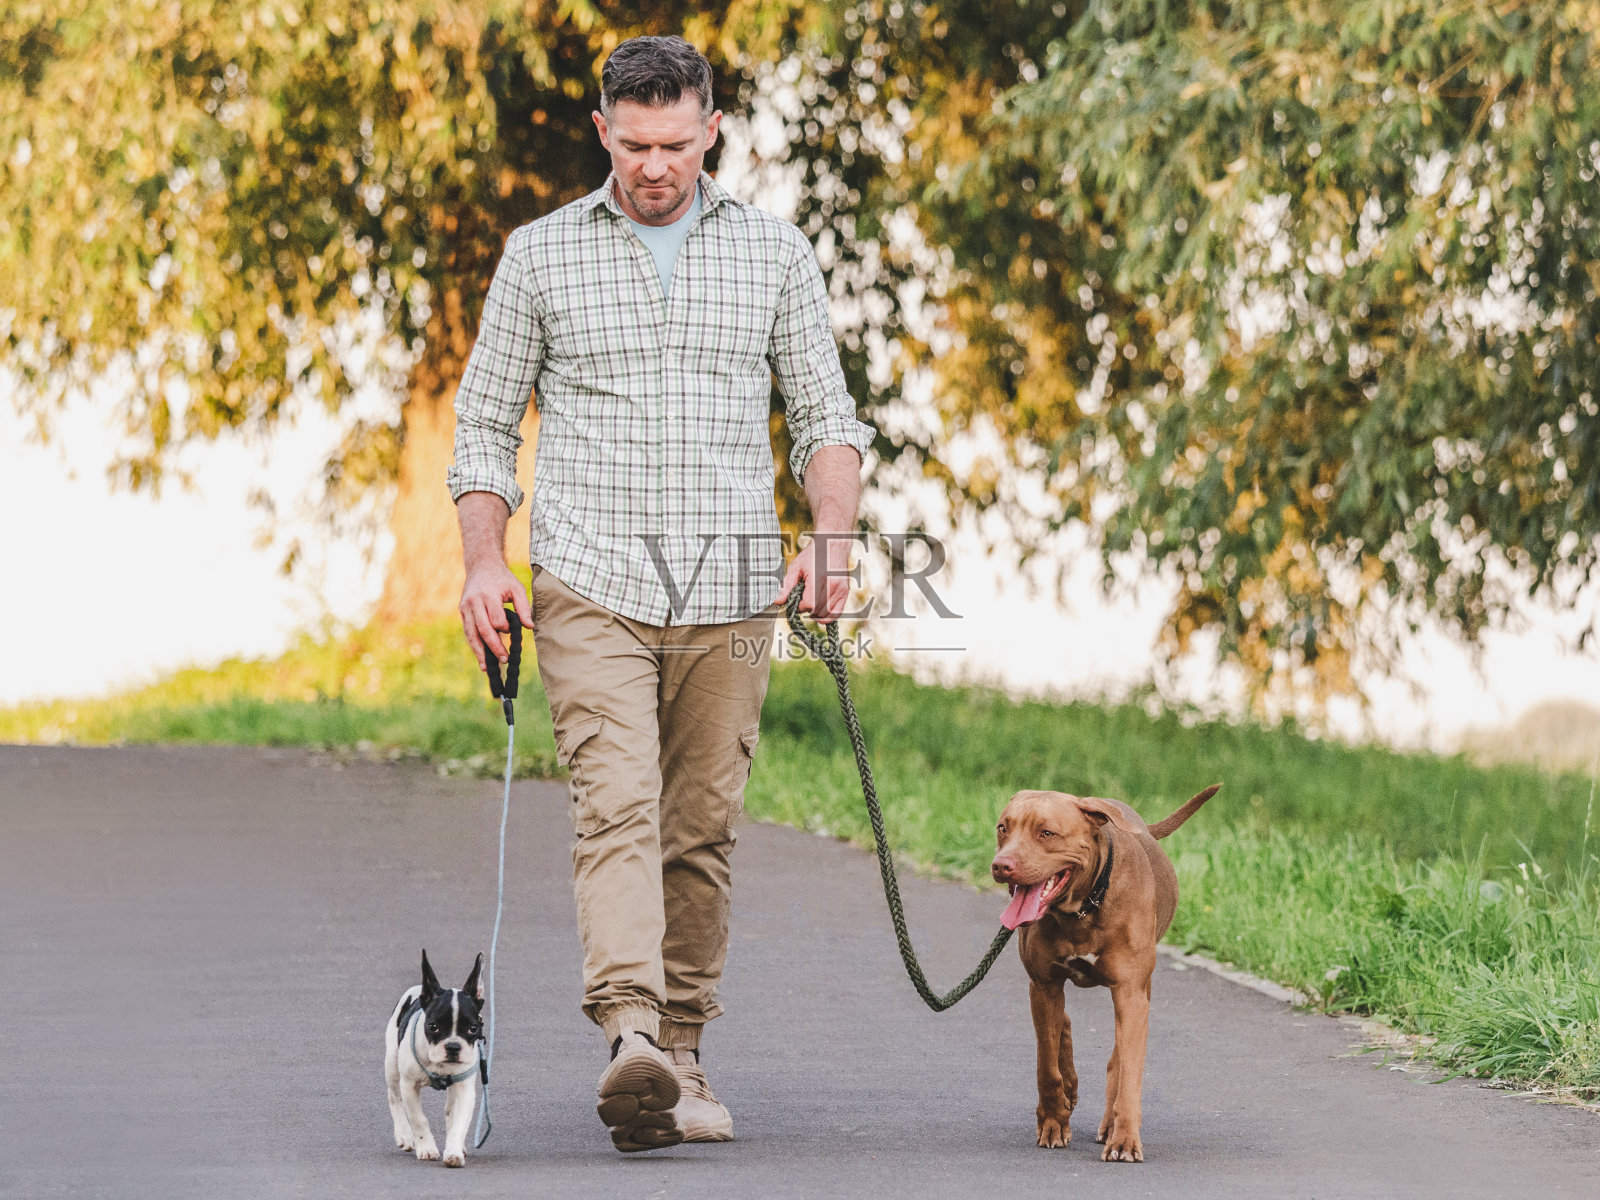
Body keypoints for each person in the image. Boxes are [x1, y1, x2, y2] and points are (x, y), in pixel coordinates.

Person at [446, 34, 874, 1153]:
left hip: (731, 588)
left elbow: (825, 418)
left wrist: (832, 537)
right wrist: (485, 560)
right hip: (591, 579)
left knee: (700, 826)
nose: (653, 167)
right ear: (602, 131)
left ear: (711, 129)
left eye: (675, 145)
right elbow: (484, 425)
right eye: (633, 145)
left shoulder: (774, 254)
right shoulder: (539, 256)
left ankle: (681, 1056)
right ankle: (631, 1035)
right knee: (617, 803)